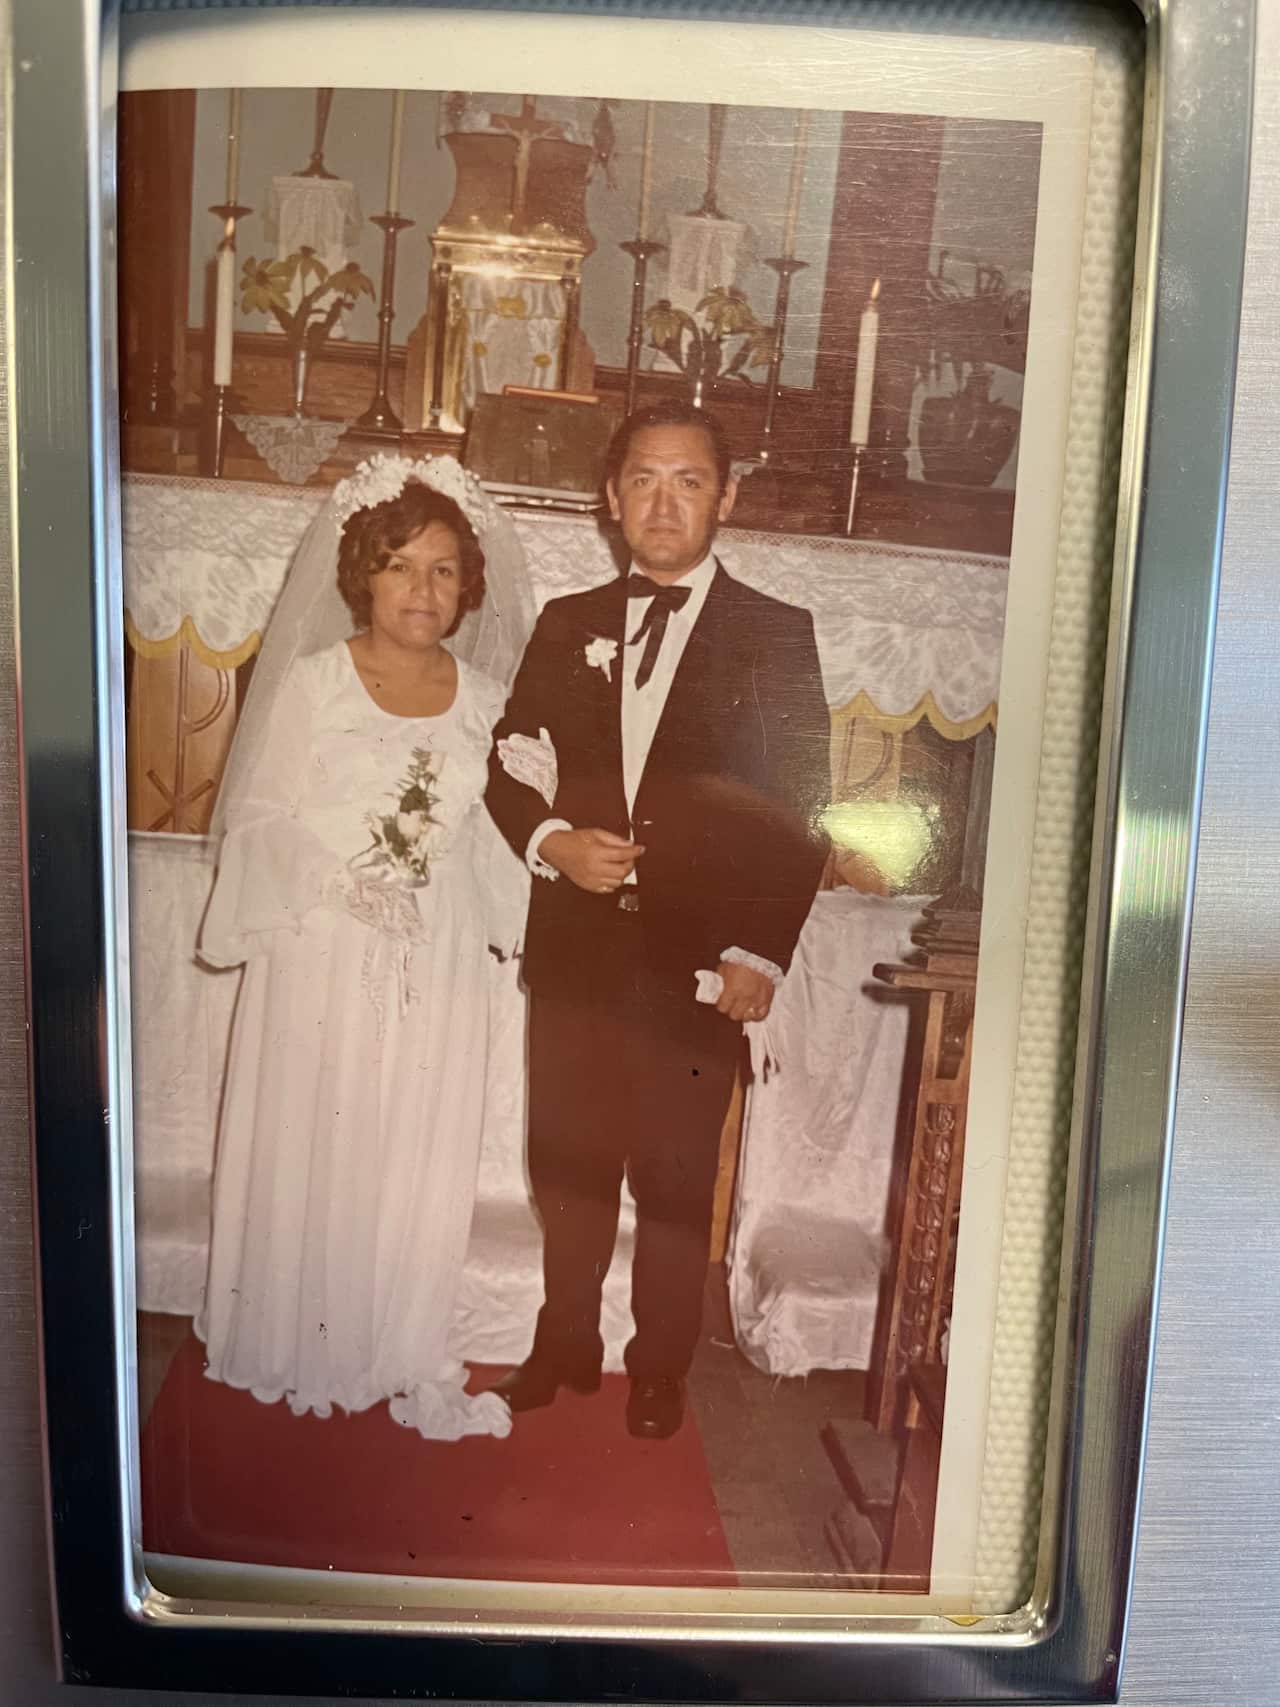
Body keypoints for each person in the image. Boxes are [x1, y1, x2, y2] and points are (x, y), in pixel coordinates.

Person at [485, 401, 830, 1440]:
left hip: (697, 963)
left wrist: (756, 950)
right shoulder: (564, 623)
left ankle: (660, 1365)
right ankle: (562, 1344)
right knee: (568, 1159)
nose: (662, 501)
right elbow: (508, 763)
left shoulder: (774, 633)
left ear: (725, 497)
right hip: (578, 956)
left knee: (677, 1176)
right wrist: (552, 842)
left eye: (687, 480)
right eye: (642, 478)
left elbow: (799, 808)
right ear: (609, 497)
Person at [197, 454, 534, 1441]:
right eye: (398, 567)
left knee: (409, 1147)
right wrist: (343, 882)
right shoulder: (312, 682)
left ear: (468, 583)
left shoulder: (485, 700)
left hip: (432, 956)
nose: (420, 591)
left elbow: (496, 834)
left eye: (440, 570)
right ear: (362, 576)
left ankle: (394, 1340)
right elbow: (259, 818)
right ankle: (299, 1336)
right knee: (322, 1133)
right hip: (323, 946)